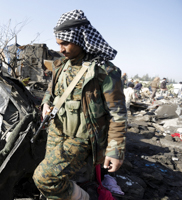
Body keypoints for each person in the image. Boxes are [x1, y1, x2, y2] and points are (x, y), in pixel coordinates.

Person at [32, 10, 126, 200]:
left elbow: (117, 114)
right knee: (55, 180)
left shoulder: (104, 71)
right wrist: (45, 105)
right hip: (56, 132)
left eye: (65, 43)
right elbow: (50, 93)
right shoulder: (60, 66)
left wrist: (115, 151)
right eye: (59, 44)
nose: (61, 49)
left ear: (81, 38)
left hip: (82, 138)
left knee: (44, 178)